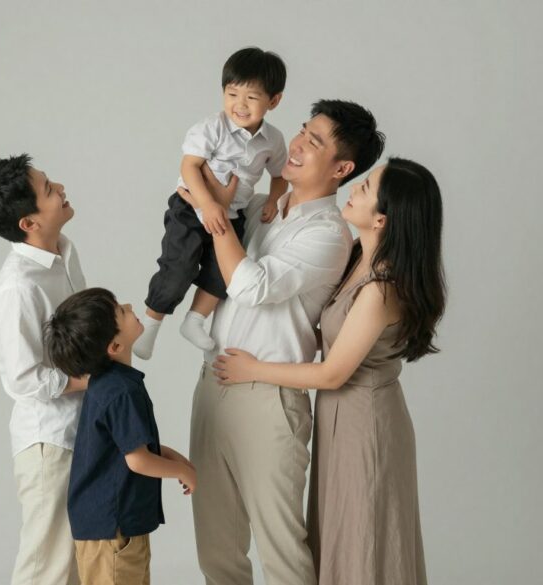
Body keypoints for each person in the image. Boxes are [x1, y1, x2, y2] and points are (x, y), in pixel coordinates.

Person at [212, 158, 446, 585]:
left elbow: (333, 374)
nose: (354, 188)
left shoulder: (381, 287)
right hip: (342, 417)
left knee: (364, 535)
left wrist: (255, 369)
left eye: (367, 186)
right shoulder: (359, 257)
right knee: (341, 531)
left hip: (365, 420)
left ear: (382, 218)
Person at [183, 100, 385, 585]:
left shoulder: (329, 234)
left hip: (270, 401)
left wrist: (215, 218)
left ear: (342, 168)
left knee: (281, 551)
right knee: (216, 550)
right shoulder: (260, 209)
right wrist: (213, 203)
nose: (294, 145)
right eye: (301, 131)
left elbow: (249, 285)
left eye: (314, 142)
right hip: (214, 385)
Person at [0, 154, 86, 585]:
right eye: (49, 190)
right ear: (28, 223)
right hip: (49, 443)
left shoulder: (63, 256)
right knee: (46, 568)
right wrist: (86, 380)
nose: (61, 188)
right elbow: (22, 379)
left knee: (73, 565)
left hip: (79, 431)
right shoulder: (18, 286)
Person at [133, 47, 289, 360]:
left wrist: (274, 198)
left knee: (225, 271)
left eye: (251, 97)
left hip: (232, 215)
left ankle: (195, 320)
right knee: (180, 265)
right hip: (191, 208)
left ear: (274, 101)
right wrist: (208, 205)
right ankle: (150, 324)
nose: (239, 105)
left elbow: (280, 174)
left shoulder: (272, 140)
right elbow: (189, 167)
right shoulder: (211, 128)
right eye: (232, 94)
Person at [44, 287, 197, 585]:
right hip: (113, 531)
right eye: (121, 311)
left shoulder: (110, 384)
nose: (128, 305)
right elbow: (137, 460)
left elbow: (124, 446)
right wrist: (180, 471)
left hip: (112, 526)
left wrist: (172, 457)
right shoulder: (121, 391)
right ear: (114, 346)